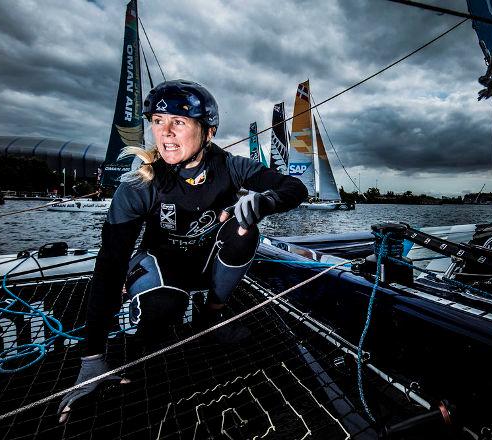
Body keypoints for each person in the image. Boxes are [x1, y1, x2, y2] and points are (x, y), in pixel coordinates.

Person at [58, 79, 307, 421]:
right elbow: (110, 263)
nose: (165, 133)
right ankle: (142, 353)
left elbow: (294, 186)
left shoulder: (231, 166)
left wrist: (265, 201)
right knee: (162, 310)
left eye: (179, 122)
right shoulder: (140, 183)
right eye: (158, 122)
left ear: (208, 132)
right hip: (162, 267)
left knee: (245, 229)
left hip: (207, 266)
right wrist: (92, 358)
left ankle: (211, 316)